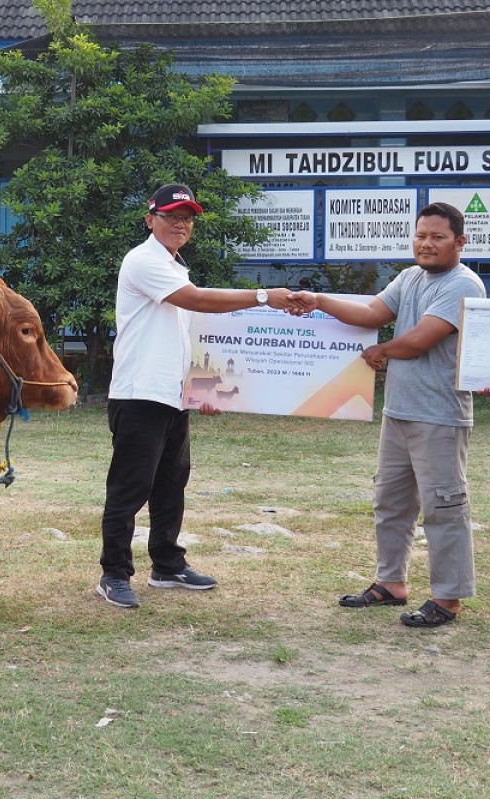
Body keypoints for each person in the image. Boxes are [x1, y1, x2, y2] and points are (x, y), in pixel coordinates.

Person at [96, 183, 304, 609]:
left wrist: (204, 387)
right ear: (149, 218)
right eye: (171, 216)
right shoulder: (142, 261)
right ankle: (114, 573)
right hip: (141, 393)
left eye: (187, 218)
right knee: (130, 487)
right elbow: (196, 301)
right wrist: (265, 297)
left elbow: (191, 332)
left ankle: (167, 565)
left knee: (172, 484)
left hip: (174, 394)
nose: (180, 224)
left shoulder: (175, 266)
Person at [291, 202, 486, 628]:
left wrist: (381, 351)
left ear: (460, 242)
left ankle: (448, 598)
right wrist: (319, 300)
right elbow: (372, 313)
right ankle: (391, 583)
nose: (426, 243)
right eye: (421, 235)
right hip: (398, 411)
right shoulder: (410, 277)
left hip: (440, 415)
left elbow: (419, 339)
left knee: (443, 505)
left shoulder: (464, 284)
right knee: (391, 503)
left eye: (437, 236)